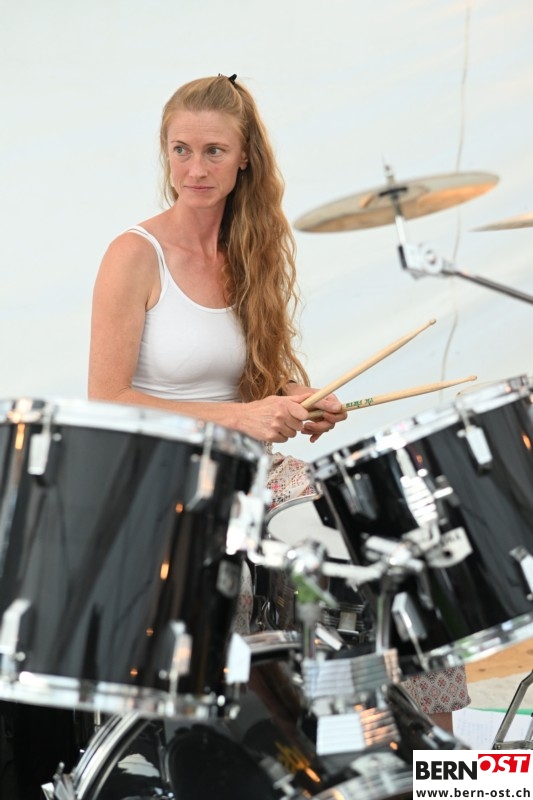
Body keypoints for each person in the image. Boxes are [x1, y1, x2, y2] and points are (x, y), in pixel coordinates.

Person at [88, 73, 468, 734]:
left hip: (254, 471)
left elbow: (255, 375)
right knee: (271, 586)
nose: (195, 169)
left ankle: (431, 753)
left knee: (389, 556)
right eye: (181, 150)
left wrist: (297, 396)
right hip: (163, 480)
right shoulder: (134, 254)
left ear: (244, 159)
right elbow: (108, 398)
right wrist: (240, 416)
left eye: (213, 151)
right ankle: (291, 734)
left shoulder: (250, 249)